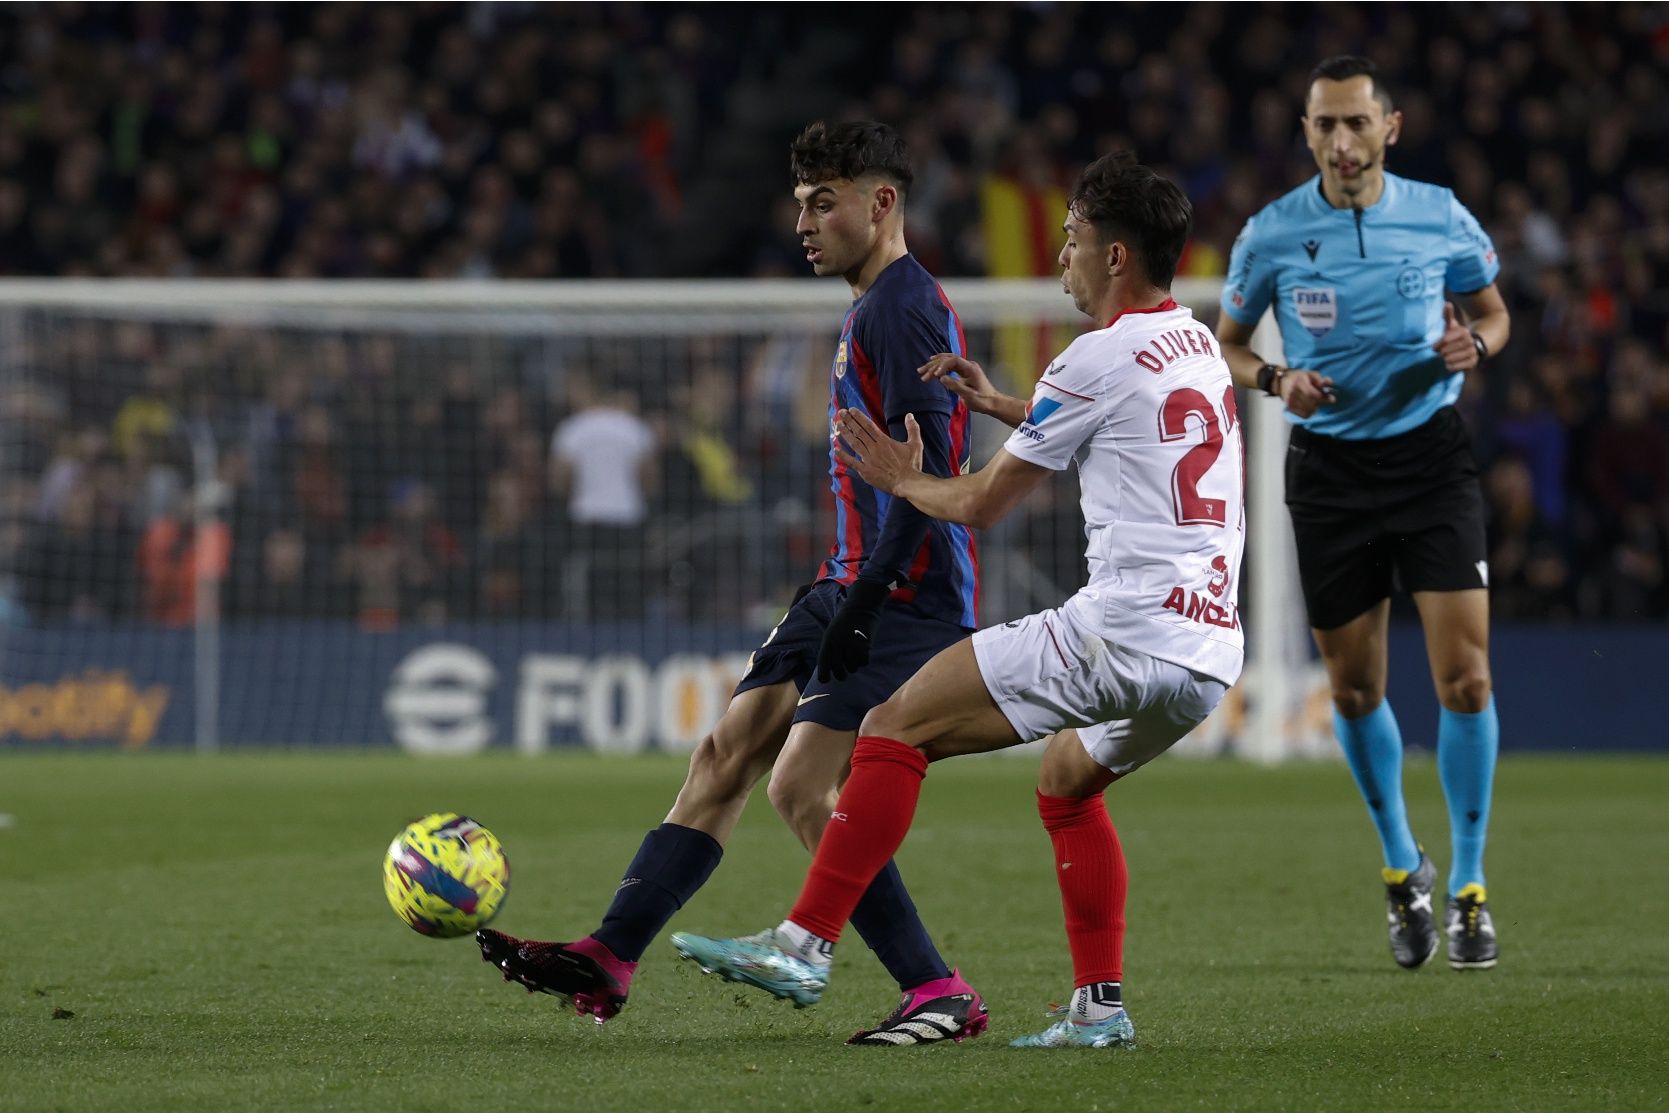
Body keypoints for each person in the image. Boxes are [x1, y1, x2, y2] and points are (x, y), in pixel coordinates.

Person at [671, 150, 1244, 1049]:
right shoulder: (1196, 341)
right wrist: (1010, 404)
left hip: (1123, 629)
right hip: (1207, 653)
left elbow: (976, 503)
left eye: (1072, 241)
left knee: (891, 726)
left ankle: (803, 943)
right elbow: (1125, 419)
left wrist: (904, 480)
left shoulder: (1092, 354)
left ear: (1117, 258)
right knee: (1065, 782)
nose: (1062, 258)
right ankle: (1099, 1009)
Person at [478, 120, 990, 1046]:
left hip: (903, 593)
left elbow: (932, 479)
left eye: (821, 200)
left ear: (880, 204)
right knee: (723, 755)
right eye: (798, 202)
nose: (802, 220)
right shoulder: (868, 304)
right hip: (843, 581)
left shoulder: (901, 308)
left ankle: (937, 988)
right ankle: (610, 953)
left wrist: (866, 606)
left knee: (797, 788)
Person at [1215, 56, 1511, 971]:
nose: (1339, 142)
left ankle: (1466, 887)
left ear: (1391, 125)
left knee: (1465, 678)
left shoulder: (1439, 214)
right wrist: (1275, 377)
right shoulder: (1270, 234)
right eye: (1322, 126)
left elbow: (1495, 316)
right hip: (1331, 471)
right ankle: (1398, 867)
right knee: (1352, 689)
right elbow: (1226, 346)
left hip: (1428, 458)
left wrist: (1474, 346)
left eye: (1355, 123)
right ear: (1305, 133)